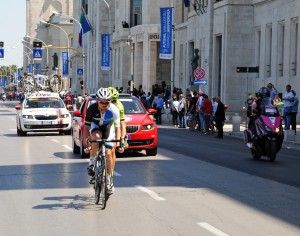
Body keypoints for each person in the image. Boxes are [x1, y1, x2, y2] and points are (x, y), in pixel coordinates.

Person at [83, 87, 123, 194]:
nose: (104, 105)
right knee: (96, 137)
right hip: (95, 126)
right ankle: (91, 163)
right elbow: (86, 128)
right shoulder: (91, 109)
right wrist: (87, 143)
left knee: (109, 153)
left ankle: (109, 179)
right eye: (102, 102)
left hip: (108, 128)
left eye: (107, 102)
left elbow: (118, 128)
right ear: (97, 101)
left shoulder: (114, 109)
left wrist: (119, 143)